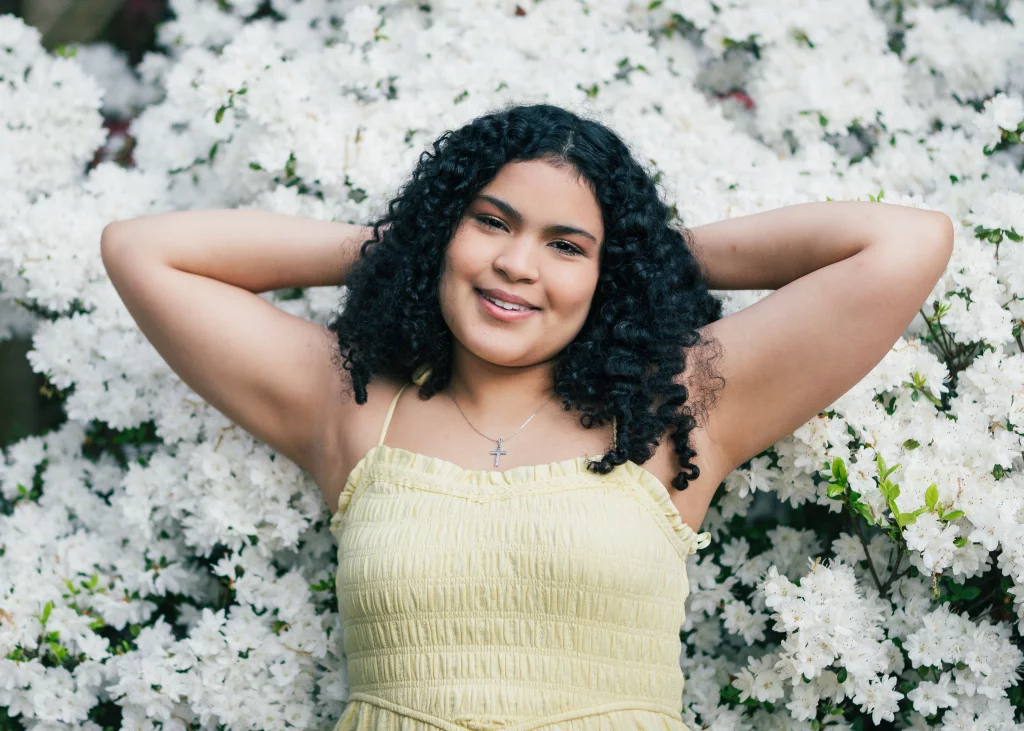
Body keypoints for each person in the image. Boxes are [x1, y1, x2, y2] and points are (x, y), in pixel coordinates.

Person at [100, 103, 953, 730]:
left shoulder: (674, 410)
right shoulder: (355, 407)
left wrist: (643, 255)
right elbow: (143, 251)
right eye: (490, 223)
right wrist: (406, 244)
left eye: (565, 244)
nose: (514, 264)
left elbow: (905, 243)